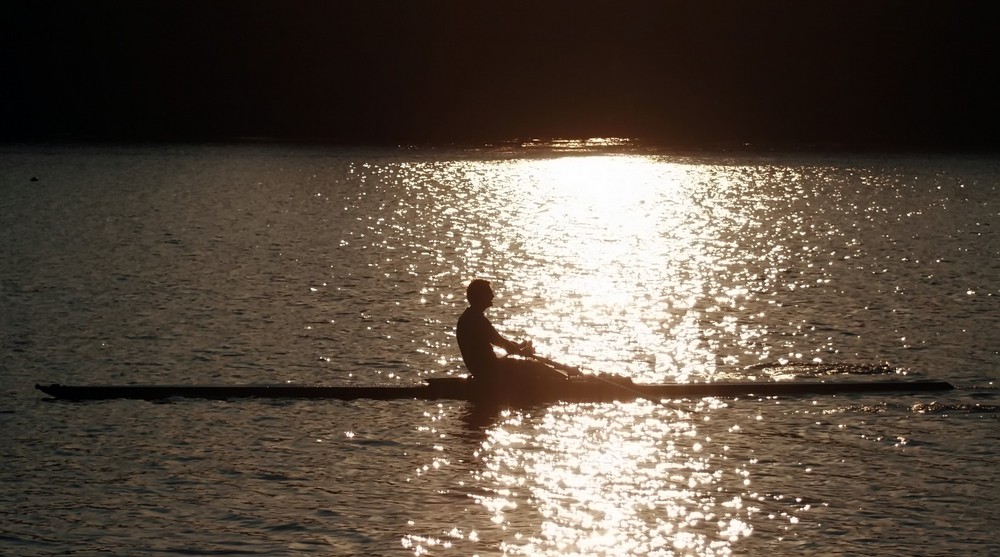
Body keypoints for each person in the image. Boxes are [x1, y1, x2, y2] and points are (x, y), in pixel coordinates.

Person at [456, 279, 567, 385]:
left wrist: (518, 346)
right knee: (536, 367)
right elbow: (501, 342)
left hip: (481, 371)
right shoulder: (477, 320)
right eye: (489, 292)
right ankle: (566, 383)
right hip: (491, 372)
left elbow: (500, 341)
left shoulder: (467, 317)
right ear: (481, 296)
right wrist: (523, 352)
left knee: (528, 367)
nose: (492, 296)